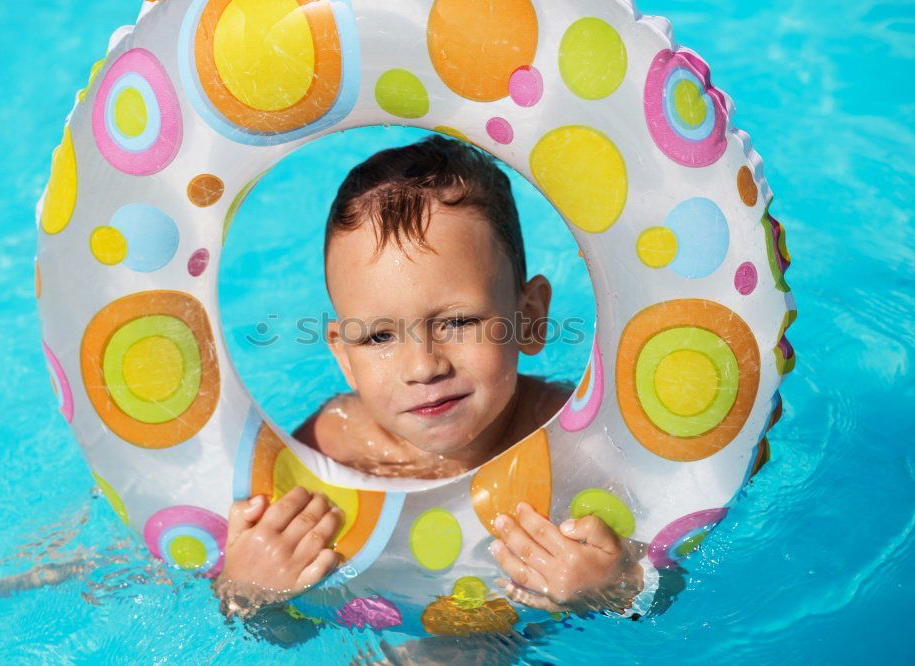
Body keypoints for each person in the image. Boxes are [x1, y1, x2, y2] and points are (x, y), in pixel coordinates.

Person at [213, 136, 662, 632]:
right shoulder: (332, 446)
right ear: (343, 356)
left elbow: (669, 548)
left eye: (458, 323)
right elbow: (291, 625)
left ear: (529, 317)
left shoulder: (574, 438)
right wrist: (248, 593)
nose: (423, 367)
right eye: (380, 336)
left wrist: (618, 584)